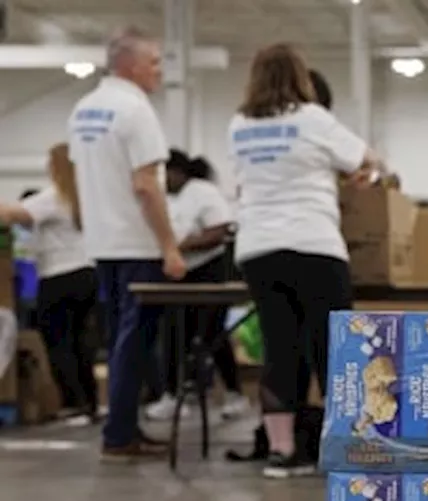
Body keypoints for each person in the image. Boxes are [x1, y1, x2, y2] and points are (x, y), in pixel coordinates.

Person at [228, 43, 383, 477]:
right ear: (300, 76)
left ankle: (283, 452)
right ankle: (340, 449)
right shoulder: (314, 119)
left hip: (257, 247)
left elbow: (242, 184)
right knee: (331, 346)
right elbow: (369, 160)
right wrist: (357, 175)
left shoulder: (238, 125)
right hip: (312, 243)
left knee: (280, 347)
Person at [68, 27, 187, 462]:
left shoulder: (83, 110)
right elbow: (146, 187)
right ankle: (118, 435)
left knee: (120, 337)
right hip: (137, 246)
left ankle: (124, 428)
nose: (158, 71)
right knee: (134, 342)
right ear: (131, 65)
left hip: (102, 244)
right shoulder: (135, 111)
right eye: (154, 62)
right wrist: (170, 246)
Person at [145, 150, 248, 422]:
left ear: (179, 172)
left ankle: (235, 394)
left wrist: (182, 245)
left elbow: (220, 230)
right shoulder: (163, 197)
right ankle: (174, 395)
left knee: (211, 334)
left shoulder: (202, 192)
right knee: (173, 334)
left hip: (208, 269)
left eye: (165, 173)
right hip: (175, 270)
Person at [0, 144, 98, 424]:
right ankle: (89, 403)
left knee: (58, 343)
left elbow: (9, 215)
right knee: (80, 341)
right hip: (87, 274)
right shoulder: (87, 198)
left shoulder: (55, 196)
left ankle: (74, 403)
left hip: (59, 276)